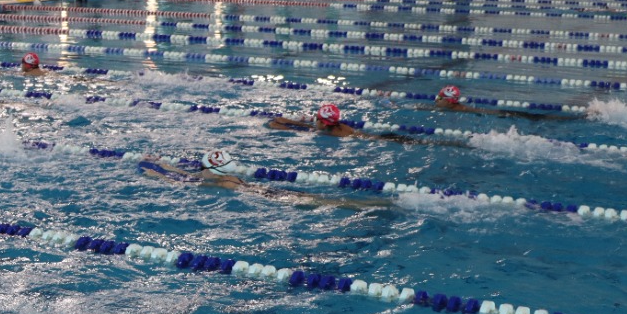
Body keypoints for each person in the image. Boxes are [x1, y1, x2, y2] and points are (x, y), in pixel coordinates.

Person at [139, 148, 386, 209]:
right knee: (328, 200)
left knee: (332, 204)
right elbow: (189, 176)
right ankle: (377, 203)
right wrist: (163, 164)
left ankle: (374, 206)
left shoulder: (215, 181)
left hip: (273, 198)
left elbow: (184, 181)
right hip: (269, 191)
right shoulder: (223, 177)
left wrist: (157, 175)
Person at [268, 102, 429, 143]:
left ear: (324, 123)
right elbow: (312, 128)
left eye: (317, 118)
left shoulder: (335, 134)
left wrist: (283, 127)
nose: (314, 120)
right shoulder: (336, 127)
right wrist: (288, 121)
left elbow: (308, 131)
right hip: (381, 137)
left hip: (381, 140)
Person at [432, 84, 577, 121]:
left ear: (449, 101)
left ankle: (576, 117)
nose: (436, 100)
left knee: (536, 117)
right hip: (499, 113)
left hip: (500, 114)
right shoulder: (455, 107)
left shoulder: (460, 110)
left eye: (439, 98)